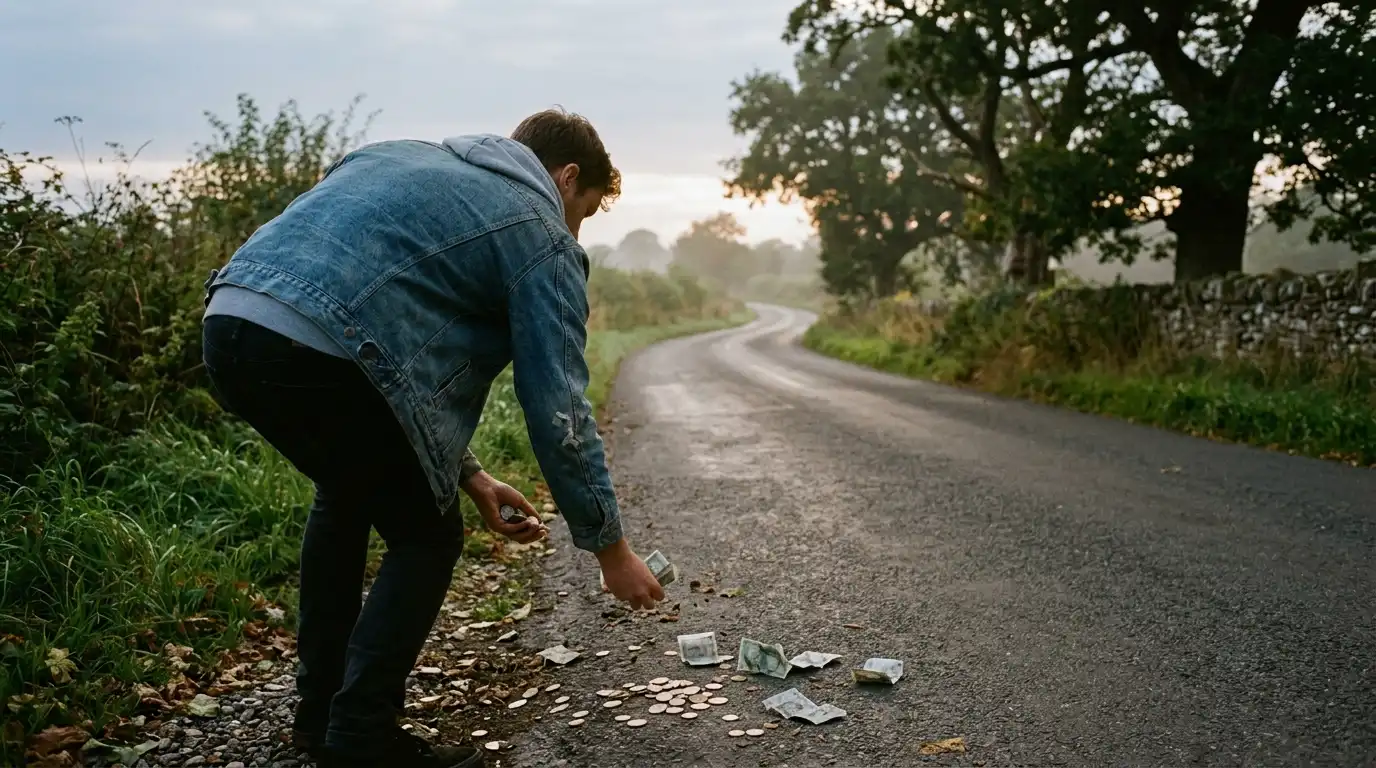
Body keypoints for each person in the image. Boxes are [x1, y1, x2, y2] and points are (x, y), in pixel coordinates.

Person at [200, 109, 666, 768]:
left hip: (232, 322)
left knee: (346, 493)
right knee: (427, 533)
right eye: (584, 212)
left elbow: (389, 355)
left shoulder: (396, 156)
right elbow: (558, 406)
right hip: (328, 355)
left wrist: (472, 477)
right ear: (566, 178)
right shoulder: (539, 230)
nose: (576, 231)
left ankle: (319, 715)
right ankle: (361, 734)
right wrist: (610, 549)